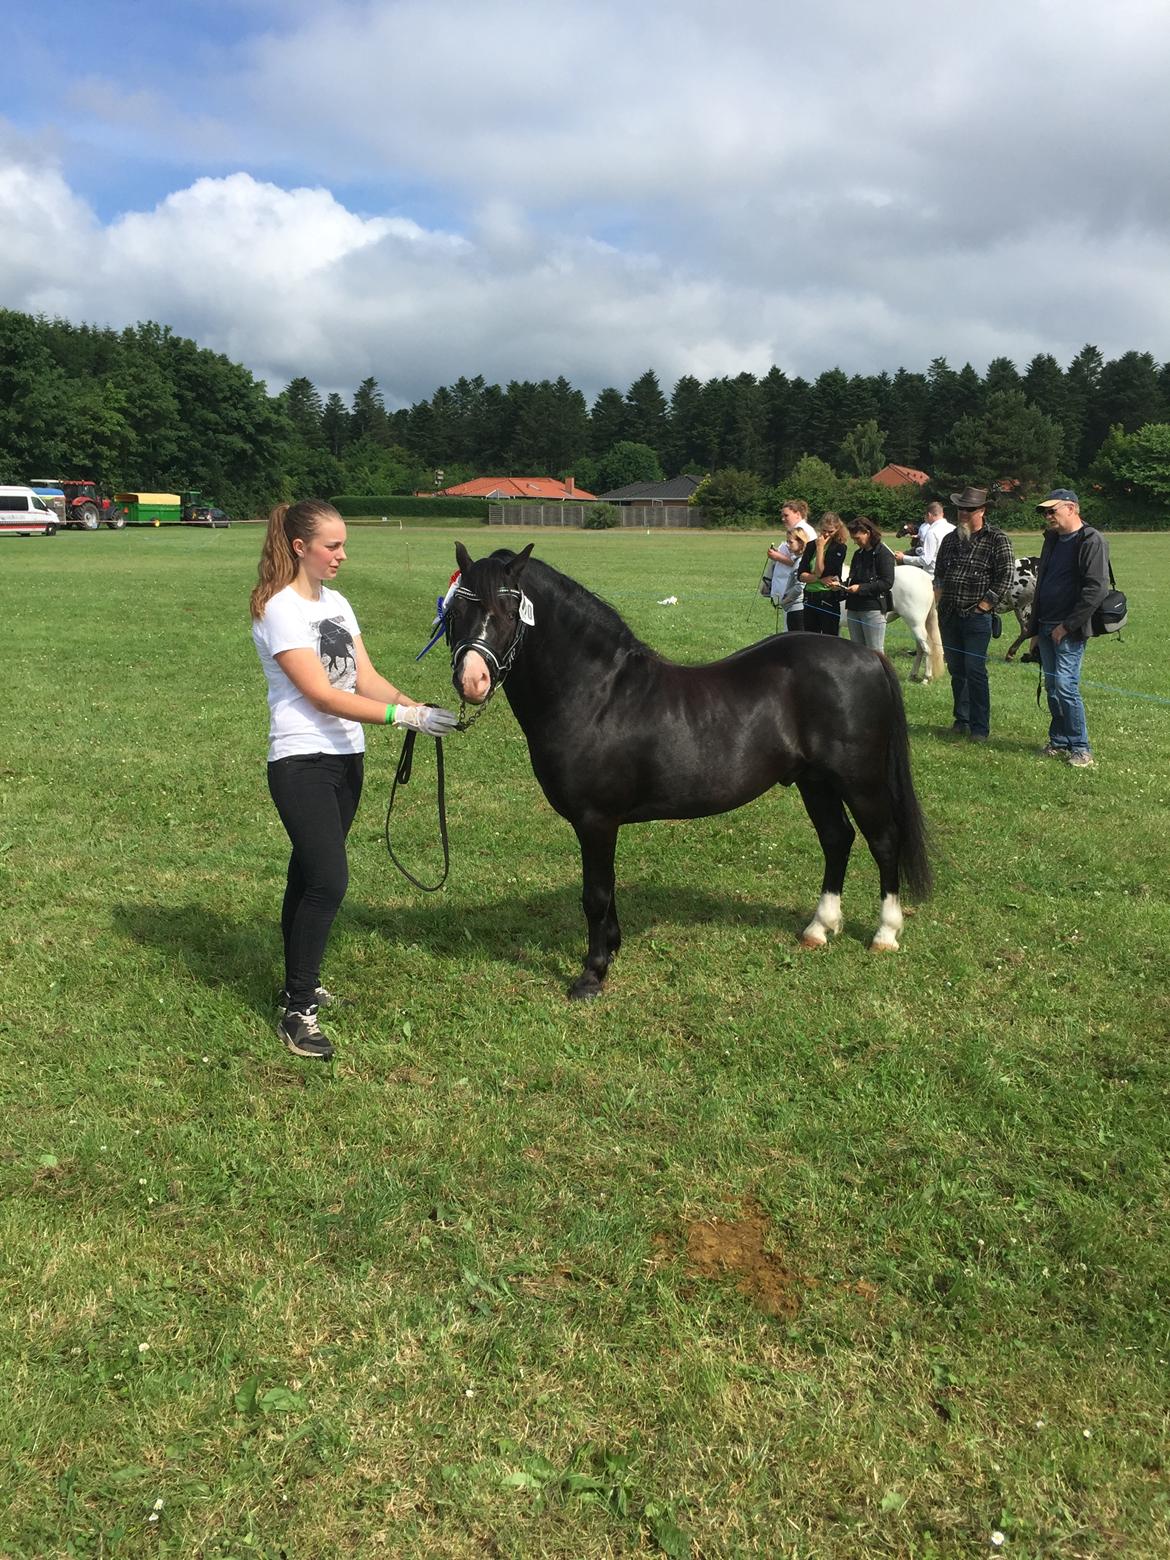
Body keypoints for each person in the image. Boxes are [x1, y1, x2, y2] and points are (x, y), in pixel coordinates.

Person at [251, 499, 458, 1060]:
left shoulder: (336, 603)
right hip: (301, 760)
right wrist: (402, 718)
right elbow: (320, 693)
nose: (342, 555)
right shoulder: (278, 609)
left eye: (343, 545)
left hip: (346, 757)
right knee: (329, 880)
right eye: (332, 546)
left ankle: (298, 981)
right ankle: (298, 1010)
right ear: (300, 548)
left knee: (308, 872)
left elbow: (363, 676)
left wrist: (414, 706)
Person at [1025, 488, 1110, 768]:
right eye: (1045, 512)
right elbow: (1041, 587)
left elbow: (1096, 588)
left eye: (1053, 510)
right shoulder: (1051, 539)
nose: (1048, 516)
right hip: (1046, 624)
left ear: (1072, 508)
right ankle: (1059, 741)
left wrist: (1068, 625)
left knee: (1065, 685)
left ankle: (1081, 747)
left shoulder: (1091, 539)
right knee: (1051, 687)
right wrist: (1034, 629)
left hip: (1069, 628)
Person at [932, 486, 1014, 742]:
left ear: (982, 511)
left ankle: (980, 727)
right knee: (957, 669)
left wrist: (984, 606)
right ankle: (961, 718)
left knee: (975, 670)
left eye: (968, 509)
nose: (963, 513)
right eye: (960, 509)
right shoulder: (950, 539)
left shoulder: (997, 539)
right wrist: (938, 603)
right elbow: (940, 576)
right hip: (949, 615)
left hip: (977, 618)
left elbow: (1006, 576)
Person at [841, 516, 896, 650]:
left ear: (867, 533)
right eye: (853, 539)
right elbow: (852, 579)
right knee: (857, 651)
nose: (855, 542)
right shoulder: (858, 554)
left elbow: (887, 582)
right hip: (854, 607)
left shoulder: (883, 554)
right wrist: (840, 585)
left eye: (857, 538)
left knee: (875, 651)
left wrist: (861, 588)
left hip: (873, 608)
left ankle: (881, 672)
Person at [766, 500, 817, 630]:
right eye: (782, 516)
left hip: (795, 599)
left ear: (798, 514)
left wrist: (777, 557)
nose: (783, 519)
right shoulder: (795, 530)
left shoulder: (806, 531)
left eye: (786, 515)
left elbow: (803, 563)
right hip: (788, 595)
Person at [797, 512, 849, 635]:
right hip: (810, 598)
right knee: (810, 638)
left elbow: (821, 572)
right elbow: (801, 575)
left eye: (830, 531)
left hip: (827, 599)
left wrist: (820, 548)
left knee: (829, 639)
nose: (826, 534)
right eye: (824, 530)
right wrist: (818, 579)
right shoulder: (810, 546)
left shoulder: (839, 548)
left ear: (837, 529)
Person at [895, 500, 955, 577]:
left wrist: (904, 558)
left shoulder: (932, 532)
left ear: (929, 515)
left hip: (932, 576)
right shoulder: (953, 528)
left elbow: (926, 560)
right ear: (942, 514)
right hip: (950, 574)